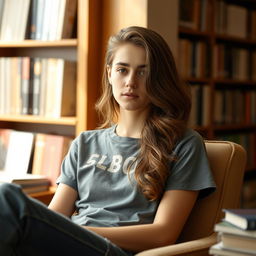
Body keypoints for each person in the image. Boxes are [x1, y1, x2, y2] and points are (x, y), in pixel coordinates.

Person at [0, 26, 216, 256]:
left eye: (143, 72)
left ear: (159, 78)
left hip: (112, 251)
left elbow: (163, 234)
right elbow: (56, 215)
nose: (131, 81)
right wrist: (65, 230)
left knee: (7, 198)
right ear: (109, 73)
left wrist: (78, 230)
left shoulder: (183, 144)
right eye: (122, 70)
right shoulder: (85, 143)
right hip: (69, 243)